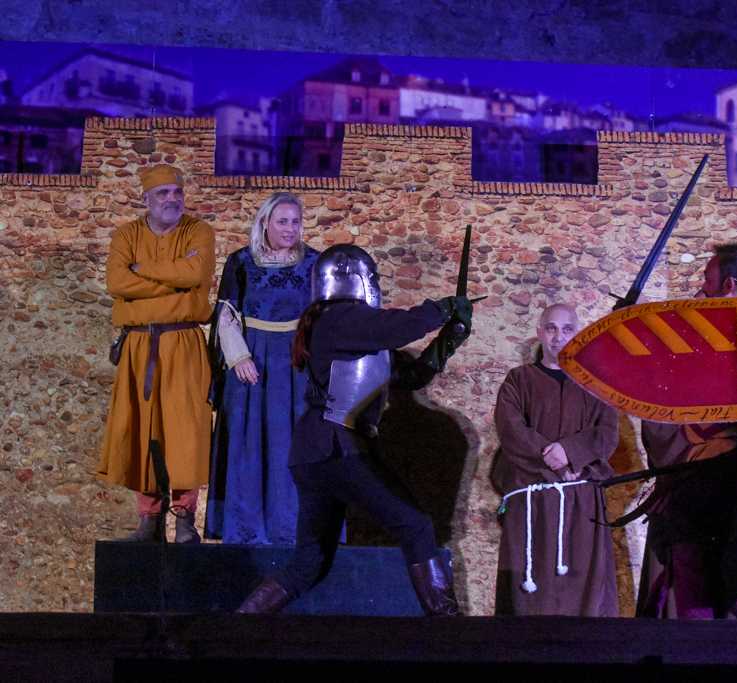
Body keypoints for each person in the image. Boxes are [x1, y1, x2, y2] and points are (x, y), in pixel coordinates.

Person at [236, 245, 473, 615]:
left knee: (308, 565)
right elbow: (398, 328)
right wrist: (440, 310)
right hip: (337, 446)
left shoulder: (353, 331)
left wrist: (449, 338)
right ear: (354, 278)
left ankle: (238, 626)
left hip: (320, 450)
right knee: (415, 526)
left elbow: (409, 376)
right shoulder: (338, 319)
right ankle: (449, 629)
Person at [636, 242, 737, 619]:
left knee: (690, 550)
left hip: (724, 470)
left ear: (728, 285)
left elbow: (676, 363)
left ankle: (731, 611)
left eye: (707, 282)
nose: (700, 290)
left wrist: (637, 331)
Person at [97, 164, 215, 543]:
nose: (171, 199)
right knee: (141, 427)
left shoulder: (199, 231)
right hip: (138, 346)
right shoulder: (126, 235)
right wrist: (173, 283)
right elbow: (117, 282)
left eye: (177, 192)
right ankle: (149, 519)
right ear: (145, 198)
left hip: (183, 344)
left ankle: (185, 519)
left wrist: (142, 271)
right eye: (162, 193)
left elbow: (195, 275)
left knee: (186, 430)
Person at [205, 192, 319, 544]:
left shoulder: (314, 263)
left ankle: (291, 529)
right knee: (249, 444)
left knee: (291, 445)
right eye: (282, 221)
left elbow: (323, 314)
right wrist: (239, 357)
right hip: (252, 360)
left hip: (295, 364)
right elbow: (226, 313)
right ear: (265, 222)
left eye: (295, 222)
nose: (290, 228)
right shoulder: (241, 262)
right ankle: (246, 531)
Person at [492, 303, 619, 616]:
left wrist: (571, 452)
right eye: (550, 328)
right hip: (532, 500)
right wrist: (552, 459)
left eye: (566, 329)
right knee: (530, 597)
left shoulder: (596, 383)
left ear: (577, 334)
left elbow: (607, 434)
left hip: (581, 504)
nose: (558, 336)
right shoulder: (519, 380)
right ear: (540, 333)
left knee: (583, 594)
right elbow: (510, 428)